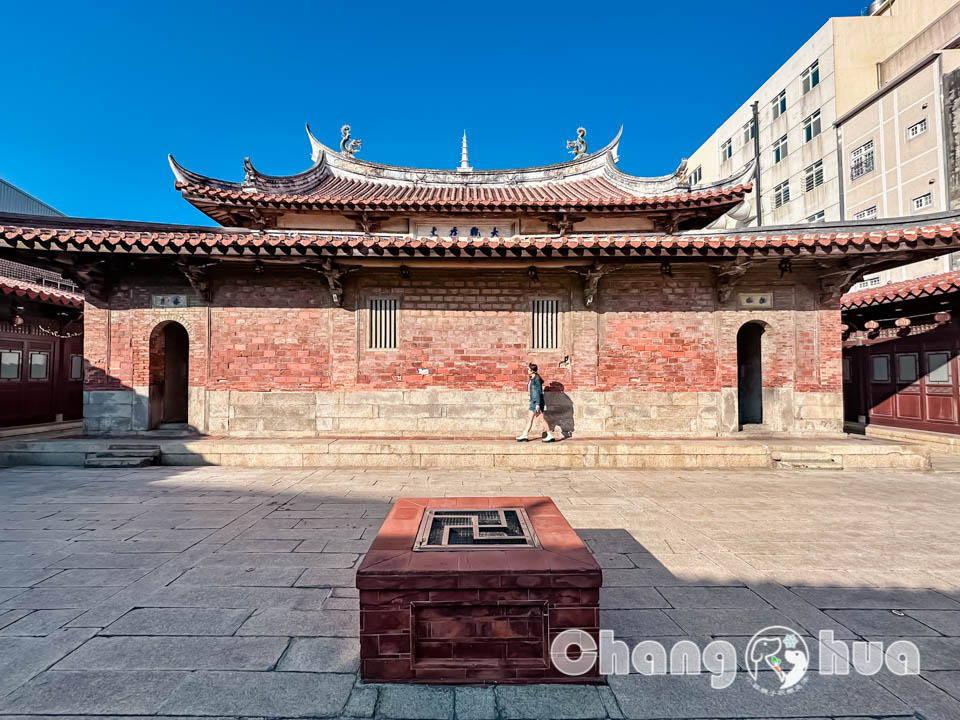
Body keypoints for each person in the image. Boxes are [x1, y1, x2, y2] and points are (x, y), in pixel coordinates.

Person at [516, 363, 557, 442]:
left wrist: (537, 404)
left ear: (532, 371)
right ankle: (524, 435)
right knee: (529, 419)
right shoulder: (532, 378)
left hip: (536, 403)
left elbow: (538, 392)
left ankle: (550, 435)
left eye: (528, 369)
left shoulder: (536, 379)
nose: (527, 371)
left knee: (541, 419)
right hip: (533, 402)